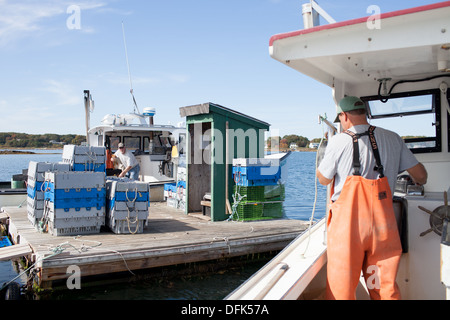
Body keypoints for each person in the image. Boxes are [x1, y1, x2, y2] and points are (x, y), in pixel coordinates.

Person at [317, 96, 427, 300]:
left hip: (348, 229)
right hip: (382, 226)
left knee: (342, 288)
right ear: (364, 113)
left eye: (340, 118)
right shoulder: (393, 138)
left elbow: (323, 179)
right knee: (382, 285)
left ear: (344, 116)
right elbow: (421, 176)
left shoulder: (338, 141)